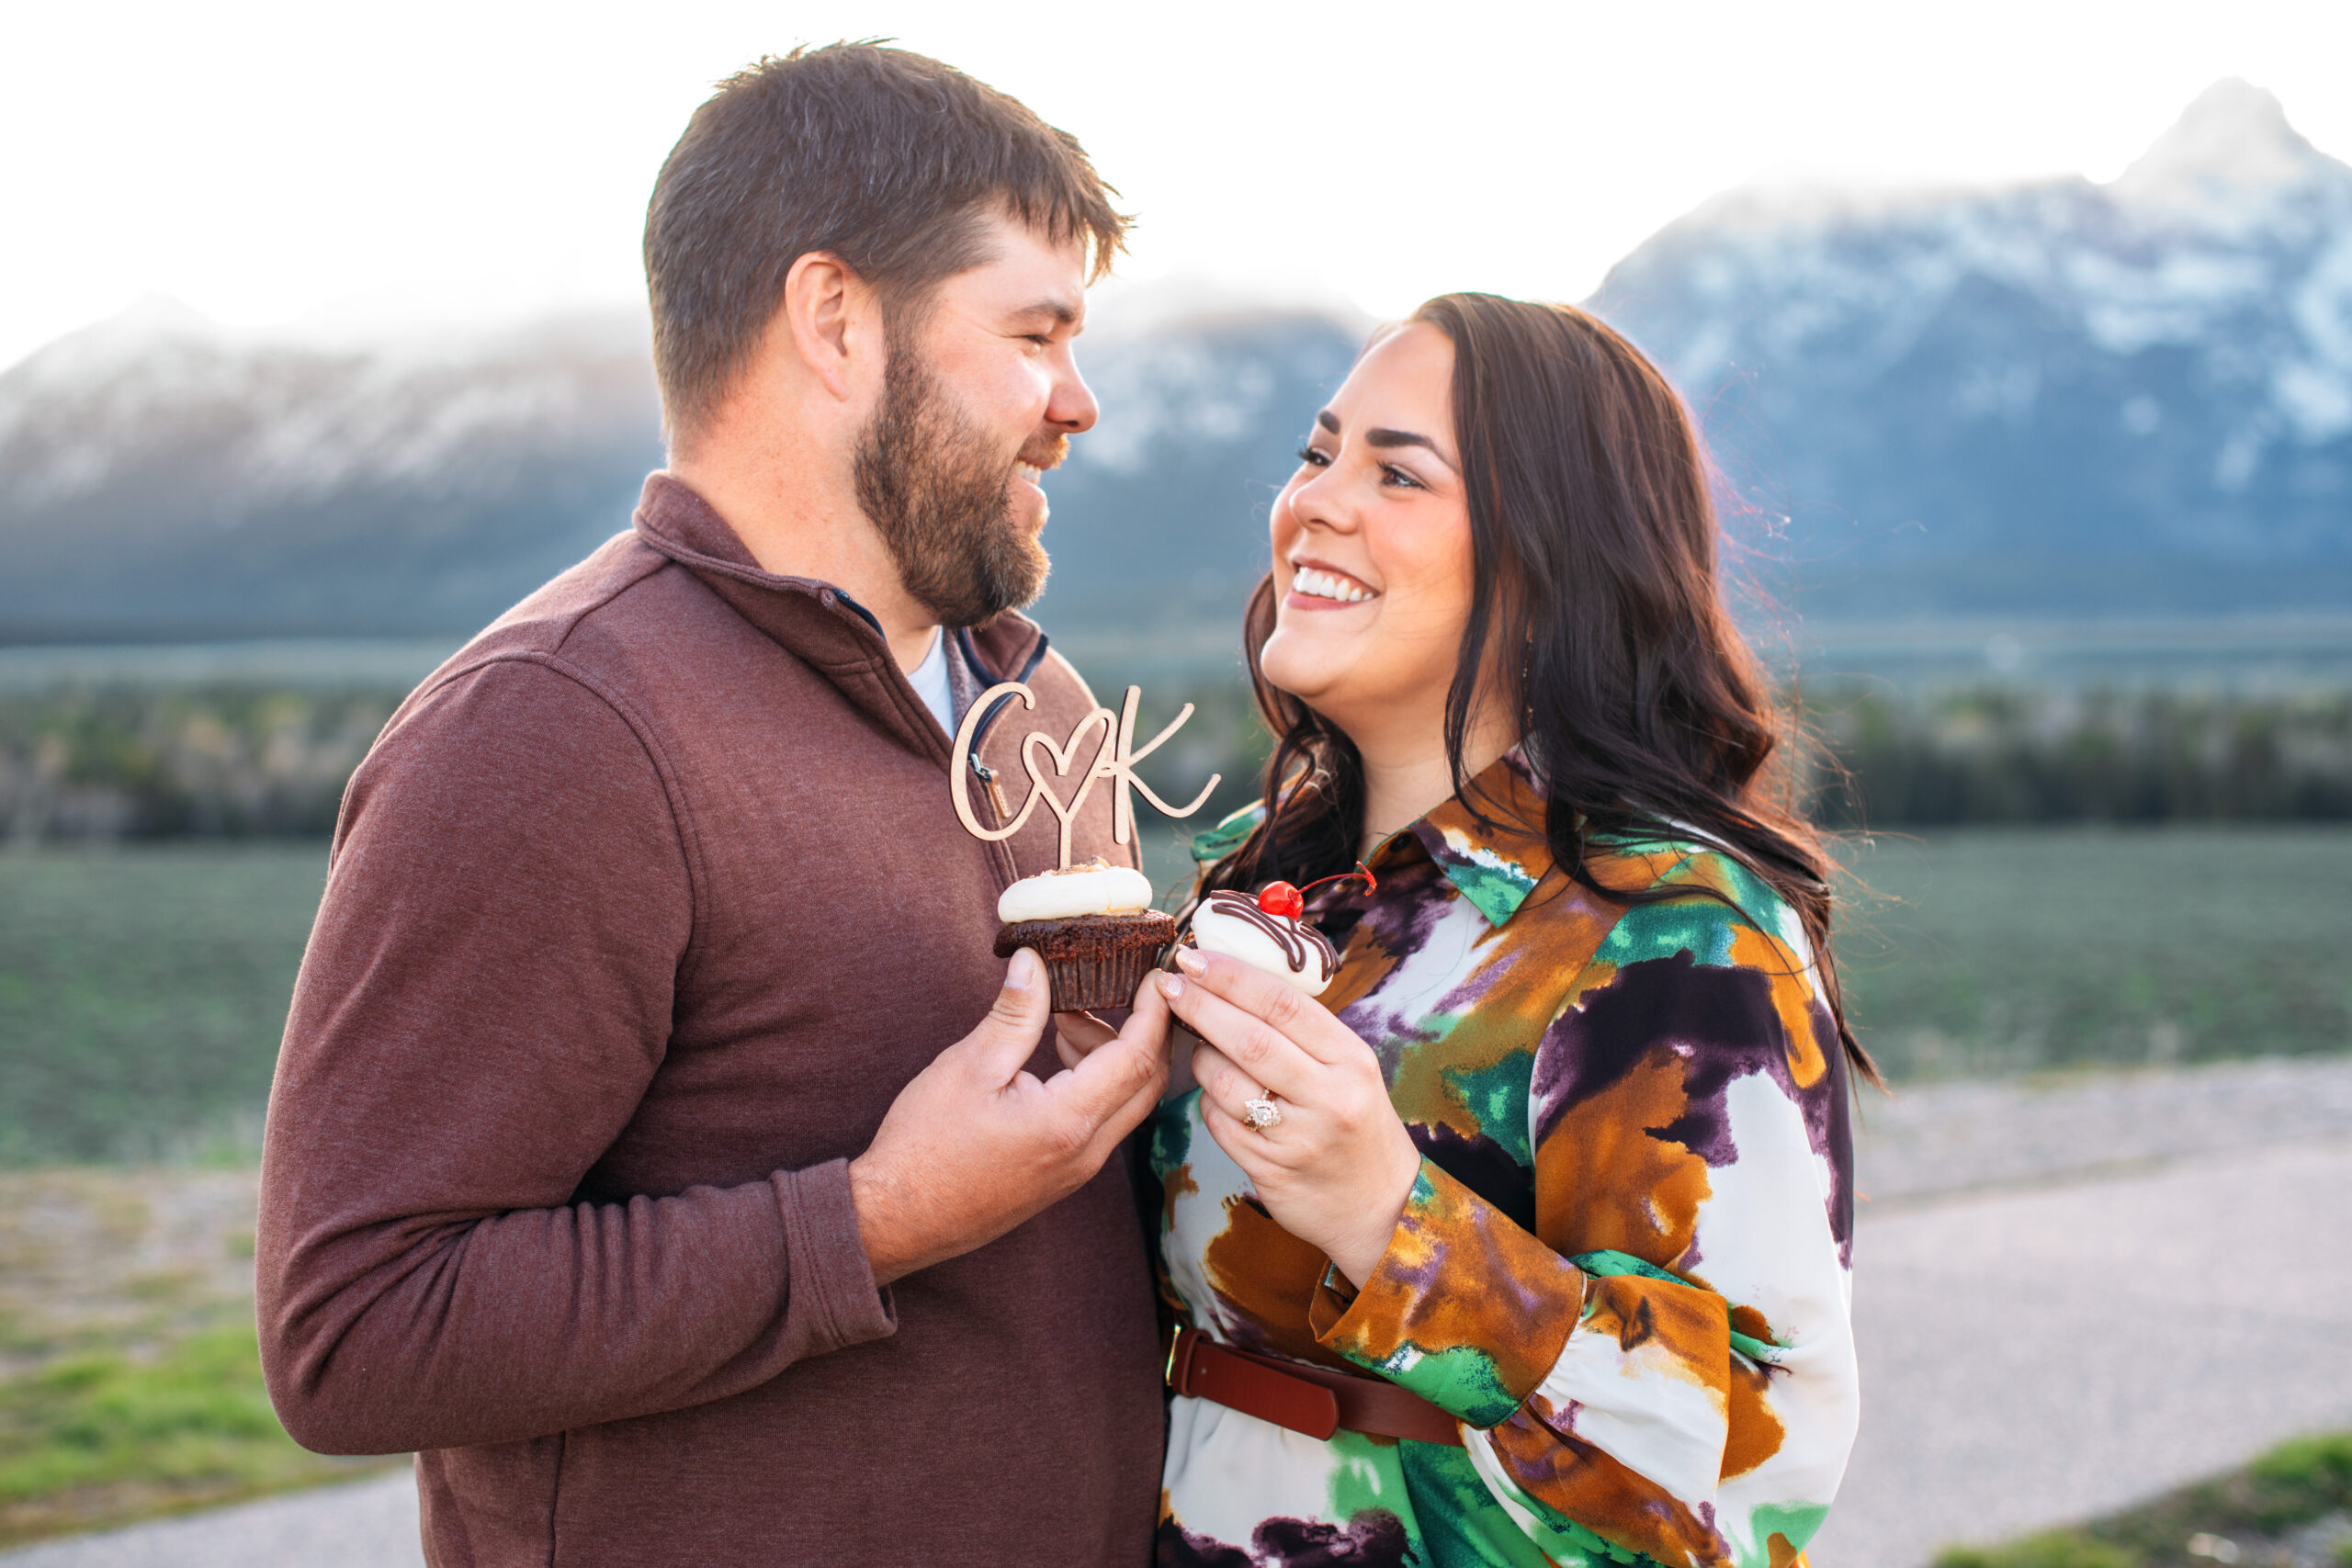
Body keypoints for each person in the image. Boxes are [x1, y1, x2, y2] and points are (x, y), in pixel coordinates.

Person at [254, 43, 1174, 1568]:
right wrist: (873, 1221)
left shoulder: (1045, 714)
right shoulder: (556, 730)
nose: (1076, 401)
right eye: (1035, 332)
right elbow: (356, 1332)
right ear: (835, 320)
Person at [1143, 295, 1871, 1568]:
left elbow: (1762, 1460)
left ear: (1550, 559)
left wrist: (1388, 1216)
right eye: (1319, 454)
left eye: (1397, 473)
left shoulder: (1671, 934)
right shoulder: (1256, 888)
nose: (1315, 500)